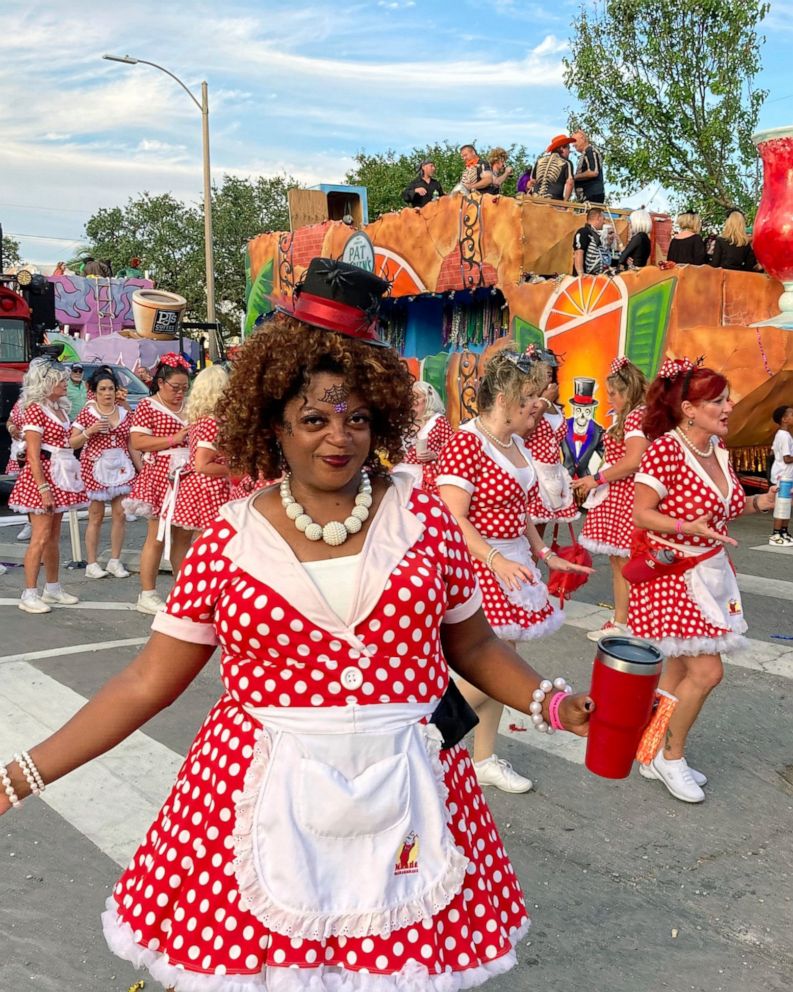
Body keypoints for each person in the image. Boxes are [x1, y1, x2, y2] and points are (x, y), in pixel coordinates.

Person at [0, 257, 594, 992]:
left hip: (409, 787)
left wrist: (552, 702)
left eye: (355, 417)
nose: (336, 437)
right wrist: (23, 773)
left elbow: (469, 642)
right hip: (254, 793)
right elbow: (147, 680)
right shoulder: (228, 537)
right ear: (271, 425)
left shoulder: (424, 521)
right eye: (312, 418)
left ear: (380, 417)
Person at [437, 350, 593, 795]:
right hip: (477, 564)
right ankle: (428, 740)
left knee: (498, 666)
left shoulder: (516, 444)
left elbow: (521, 509)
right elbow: (454, 518)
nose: (538, 405)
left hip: (512, 562)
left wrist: (543, 552)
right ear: (504, 396)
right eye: (530, 396)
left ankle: (482, 756)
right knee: (489, 669)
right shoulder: (468, 442)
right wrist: (495, 560)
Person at [630, 357, 776, 803]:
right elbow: (641, 512)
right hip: (672, 575)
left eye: (727, 398)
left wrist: (763, 502)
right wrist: (685, 529)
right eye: (718, 400)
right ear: (689, 409)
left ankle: (651, 751)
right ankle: (673, 757)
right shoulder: (666, 451)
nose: (730, 406)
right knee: (707, 672)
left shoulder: (719, 452)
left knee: (678, 671)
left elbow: (726, 511)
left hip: (711, 573)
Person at [573, 358, 648, 639]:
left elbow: (634, 461)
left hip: (627, 497)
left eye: (614, 394)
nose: (610, 399)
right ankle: (625, 620)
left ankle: (625, 623)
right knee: (623, 564)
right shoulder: (636, 416)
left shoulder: (636, 417)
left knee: (626, 564)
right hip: (623, 495)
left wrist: (597, 479)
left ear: (627, 391)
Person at [8, 358, 87, 614]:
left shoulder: (59, 409)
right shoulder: (35, 409)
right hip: (41, 476)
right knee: (40, 537)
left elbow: (67, 443)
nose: (65, 383)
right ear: (46, 382)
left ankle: (52, 588)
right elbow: (32, 453)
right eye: (60, 379)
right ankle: (28, 592)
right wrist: (43, 488)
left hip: (59, 473)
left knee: (52, 537)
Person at [123, 354, 191, 615]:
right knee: (157, 536)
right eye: (175, 387)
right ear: (161, 383)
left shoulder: (189, 405)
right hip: (162, 474)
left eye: (184, 387)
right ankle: (148, 592)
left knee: (183, 536)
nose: (180, 393)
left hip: (187, 474)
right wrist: (174, 439)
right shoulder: (147, 406)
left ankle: (184, 590)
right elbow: (139, 442)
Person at [161, 364, 231, 575]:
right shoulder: (213, 423)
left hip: (193, 485)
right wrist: (233, 467)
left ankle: (182, 587)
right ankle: (196, 587)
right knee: (209, 541)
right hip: (209, 488)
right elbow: (202, 464)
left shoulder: (199, 421)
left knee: (184, 541)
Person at [71, 367, 135, 579]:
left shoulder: (124, 412)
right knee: (96, 516)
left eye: (111, 389)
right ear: (95, 392)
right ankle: (91, 562)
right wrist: (90, 431)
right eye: (103, 389)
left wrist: (141, 469)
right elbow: (72, 442)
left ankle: (115, 560)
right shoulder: (88, 413)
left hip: (122, 465)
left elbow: (133, 442)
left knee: (120, 514)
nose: (107, 393)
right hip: (96, 466)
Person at [525, 352, 579, 530]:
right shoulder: (526, 404)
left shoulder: (556, 407)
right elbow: (522, 432)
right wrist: (543, 402)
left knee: (540, 536)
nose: (547, 379)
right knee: (528, 536)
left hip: (552, 475)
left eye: (550, 374)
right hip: (532, 476)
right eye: (542, 374)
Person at [402, 380, 454, 494]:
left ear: (428, 398)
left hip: (426, 477)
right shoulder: (405, 422)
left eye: (416, 396)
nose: (412, 400)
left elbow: (452, 452)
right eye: (410, 397)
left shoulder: (438, 421)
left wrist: (434, 455)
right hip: (402, 475)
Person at [561, 377, 605, 478]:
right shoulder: (563, 426)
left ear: (592, 411)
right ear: (573, 409)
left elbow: (605, 457)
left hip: (586, 482)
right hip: (564, 480)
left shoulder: (598, 432)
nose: (582, 416)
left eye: (587, 411)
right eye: (578, 410)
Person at [768, 404, 793, 546]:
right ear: (784, 419)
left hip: (786, 475)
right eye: (792, 415)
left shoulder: (782, 434)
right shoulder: (784, 436)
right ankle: (776, 534)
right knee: (782, 505)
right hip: (783, 477)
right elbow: (787, 458)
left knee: (787, 504)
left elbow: (773, 452)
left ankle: (784, 532)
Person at [528, 135, 575, 201]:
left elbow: (531, 182)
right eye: (568, 148)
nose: (569, 152)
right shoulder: (566, 162)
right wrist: (565, 202)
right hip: (554, 202)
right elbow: (570, 182)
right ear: (562, 148)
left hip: (535, 199)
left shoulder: (540, 160)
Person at [572, 129, 605, 203]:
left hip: (592, 195)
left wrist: (575, 177)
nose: (573, 144)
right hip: (588, 196)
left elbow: (593, 172)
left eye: (575, 141)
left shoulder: (590, 151)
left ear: (583, 138)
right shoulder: (586, 153)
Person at [573, 207, 606, 276]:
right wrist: (581, 274)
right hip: (586, 278)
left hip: (597, 277)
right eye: (603, 219)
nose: (604, 222)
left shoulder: (597, 234)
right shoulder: (583, 232)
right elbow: (578, 253)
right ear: (598, 218)